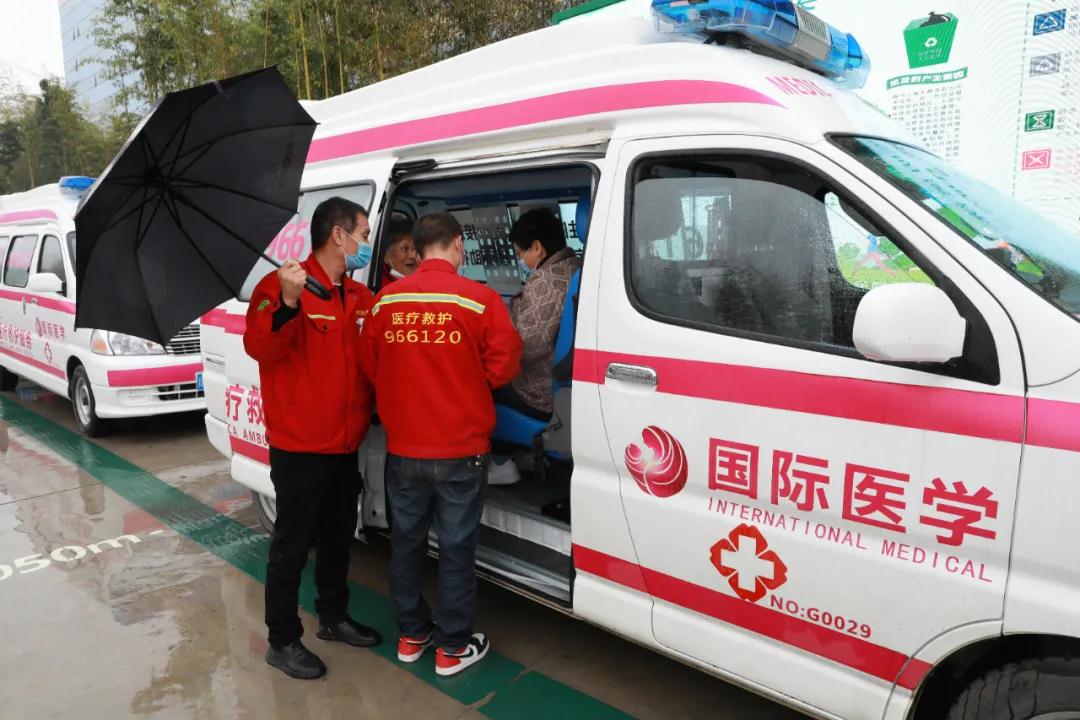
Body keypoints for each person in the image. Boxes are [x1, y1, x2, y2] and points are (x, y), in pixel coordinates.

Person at [359, 212, 522, 677]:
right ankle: (451, 648)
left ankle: (412, 636)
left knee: (406, 544)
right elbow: (505, 363)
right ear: (457, 245)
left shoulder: (386, 302)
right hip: (461, 450)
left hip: (404, 449)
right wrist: (466, 380)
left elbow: (370, 364)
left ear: (416, 248)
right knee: (456, 548)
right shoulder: (479, 299)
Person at [244, 196, 382, 680]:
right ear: (339, 236)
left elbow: (372, 361)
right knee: (292, 546)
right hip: (300, 446)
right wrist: (287, 303)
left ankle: (333, 616)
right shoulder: (280, 286)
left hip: (345, 444)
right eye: (364, 234)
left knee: (338, 537)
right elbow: (260, 347)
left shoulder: (359, 296)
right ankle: (282, 640)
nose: (367, 243)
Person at [498, 208, 583, 419]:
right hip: (568, 383)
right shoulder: (575, 266)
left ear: (536, 248)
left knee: (483, 386)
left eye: (520, 253)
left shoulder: (545, 283)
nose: (521, 260)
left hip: (539, 392)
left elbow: (525, 347)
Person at [380, 217, 420, 286]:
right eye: (405, 248)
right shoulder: (382, 288)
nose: (412, 255)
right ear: (386, 256)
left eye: (416, 249)